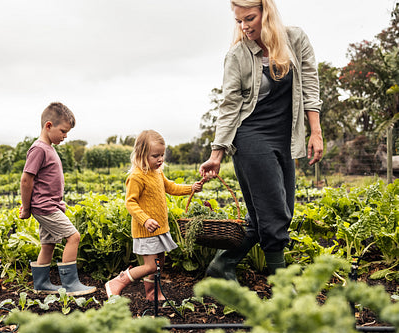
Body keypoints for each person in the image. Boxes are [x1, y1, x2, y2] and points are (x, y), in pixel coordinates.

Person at [199, 0, 323, 281]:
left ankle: (222, 265)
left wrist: (315, 131)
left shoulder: (296, 39)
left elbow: (310, 83)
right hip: (251, 136)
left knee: (275, 212)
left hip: (285, 137)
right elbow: (229, 105)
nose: (244, 26)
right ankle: (280, 283)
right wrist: (216, 153)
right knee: (275, 212)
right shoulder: (238, 55)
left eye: (249, 18)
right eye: (239, 21)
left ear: (266, 14)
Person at [105, 130, 203, 301]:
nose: (160, 159)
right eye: (155, 155)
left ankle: (153, 294)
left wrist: (191, 188)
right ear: (141, 155)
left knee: (159, 265)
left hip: (160, 228)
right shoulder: (136, 177)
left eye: (162, 155)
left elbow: (171, 188)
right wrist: (145, 219)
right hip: (146, 230)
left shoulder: (157, 173)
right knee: (150, 266)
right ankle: (117, 282)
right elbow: (130, 202)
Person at [19, 102, 96, 295]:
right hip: (45, 207)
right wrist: (26, 207)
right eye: (63, 131)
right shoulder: (39, 149)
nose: (65, 136)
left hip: (51, 205)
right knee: (73, 237)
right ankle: (71, 285)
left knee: (48, 244)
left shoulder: (49, 148)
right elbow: (26, 180)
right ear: (48, 125)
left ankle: (42, 284)